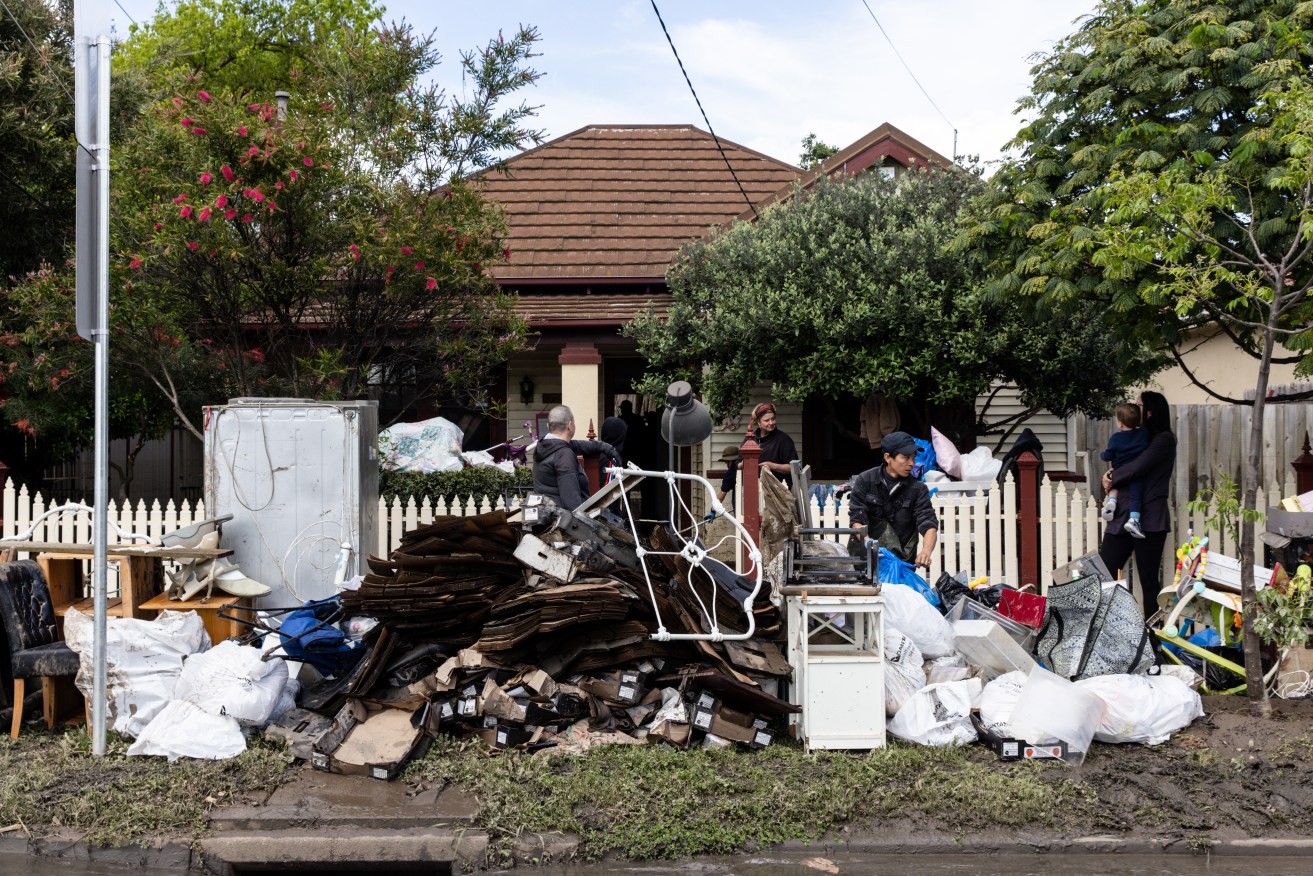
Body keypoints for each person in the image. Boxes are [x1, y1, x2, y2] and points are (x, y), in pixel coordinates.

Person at [1098, 390, 1176, 618]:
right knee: (1104, 572)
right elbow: (1120, 461)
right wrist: (1109, 474)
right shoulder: (1134, 436)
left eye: (1139, 405)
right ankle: (1107, 629)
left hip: (1150, 517)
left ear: (1150, 412)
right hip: (1122, 512)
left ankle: (1154, 636)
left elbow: (1139, 466)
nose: (1134, 408)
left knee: (1148, 579)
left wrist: (1112, 477)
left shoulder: (1164, 439)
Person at [847, 430, 939, 567]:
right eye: (906, 458)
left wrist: (926, 551)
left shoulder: (918, 489)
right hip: (865, 562)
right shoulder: (865, 481)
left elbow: (928, 523)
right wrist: (870, 545)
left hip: (900, 565)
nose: (911, 463)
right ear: (888, 457)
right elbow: (857, 520)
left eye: (913, 458)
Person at [531, 405, 621, 510]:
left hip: (545, 515)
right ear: (570, 425)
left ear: (548, 426)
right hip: (562, 521)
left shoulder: (545, 446)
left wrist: (604, 447)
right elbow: (573, 504)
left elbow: (576, 445)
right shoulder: (564, 455)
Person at [716, 402, 798, 502]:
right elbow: (738, 462)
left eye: (773, 419)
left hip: (776, 495)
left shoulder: (783, 440)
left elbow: (794, 468)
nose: (771, 423)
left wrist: (772, 466)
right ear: (758, 422)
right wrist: (742, 464)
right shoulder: (751, 438)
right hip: (752, 492)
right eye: (767, 420)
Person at [1099, 402, 1149, 538]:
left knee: (1114, 485)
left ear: (1120, 423)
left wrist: (1102, 455)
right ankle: (1133, 519)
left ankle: (1111, 502)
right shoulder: (1143, 434)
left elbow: (1108, 455)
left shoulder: (1116, 438)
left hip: (1119, 471)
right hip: (1136, 471)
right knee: (1135, 495)